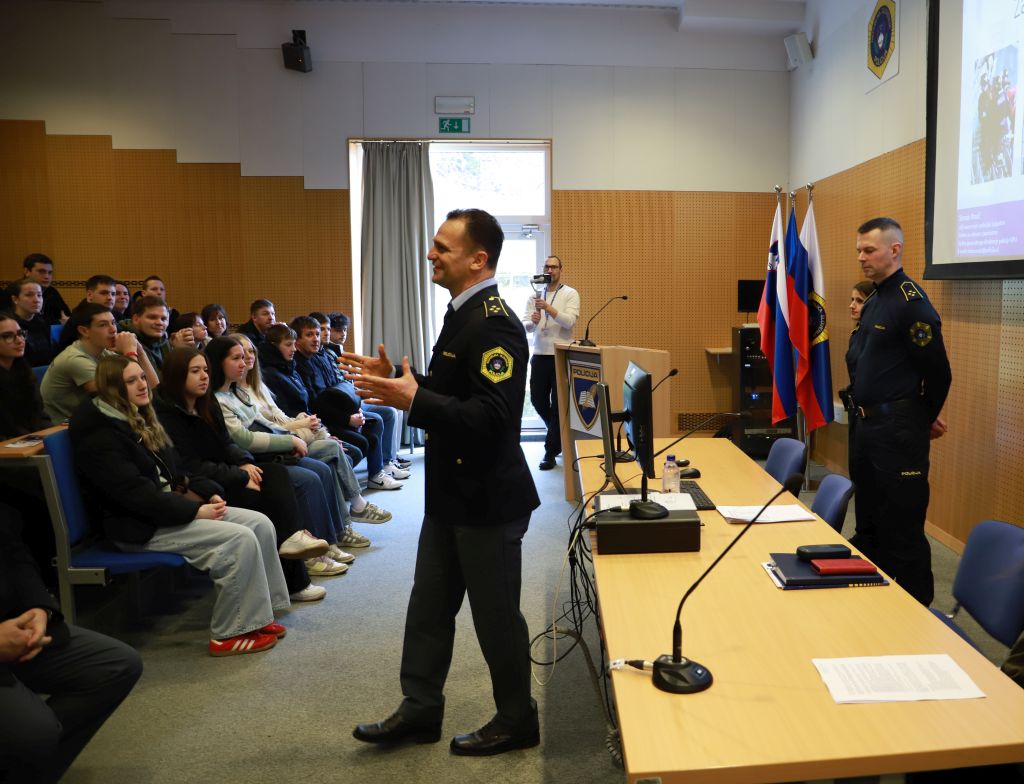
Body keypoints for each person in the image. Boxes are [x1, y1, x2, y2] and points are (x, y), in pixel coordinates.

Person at [347, 208, 541, 756]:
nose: (431, 254)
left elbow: (494, 417)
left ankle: (517, 718)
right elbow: (458, 393)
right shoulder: (462, 313)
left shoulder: (496, 321)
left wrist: (417, 399)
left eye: (443, 248)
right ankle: (420, 709)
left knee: (496, 615)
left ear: (478, 260)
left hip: (488, 498)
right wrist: (402, 384)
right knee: (428, 606)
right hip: (451, 495)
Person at [69, 354, 295, 655]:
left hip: (164, 511)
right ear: (112, 388)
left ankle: (260, 615)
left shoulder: (138, 417)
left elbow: (177, 471)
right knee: (237, 539)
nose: (142, 385)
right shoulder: (101, 435)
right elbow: (135, 496)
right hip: (137, 526)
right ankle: (229, 633)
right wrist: (194, 510)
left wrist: (207, 492)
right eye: (130, 381)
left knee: (259, 523)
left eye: (142, 378)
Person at [153, 347, 329, 602]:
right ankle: (295, 580)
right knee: (265, 504)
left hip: (224, 472)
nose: (203, 376)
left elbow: (228, 444)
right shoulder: (166, 415)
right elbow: (190, 466)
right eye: (194, 371)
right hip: (202, 486)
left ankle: (294, 540)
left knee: (275, 473)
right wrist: (240, 476)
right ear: (177, 375)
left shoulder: (206, 402)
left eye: (205, 370)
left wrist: (245, 464)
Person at [848, 217, 952, 607]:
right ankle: (876, 606)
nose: (862, 257)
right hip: (866, 427)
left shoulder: (912, 304)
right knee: (869, 524)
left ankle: (915, 615)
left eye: (869, 250)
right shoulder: (875, 298)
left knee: (902, 531)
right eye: (859, 249)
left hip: (895, 433)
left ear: (894, 250)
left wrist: (920, 418)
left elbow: (939, 373)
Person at [0, 503, 142, 783]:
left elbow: (14, 553)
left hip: (12, 624)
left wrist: (39, 608)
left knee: (116, 665)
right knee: (34, 732)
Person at [205, 336, 353, 577]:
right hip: (252, 459)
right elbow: (244, 439)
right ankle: (312, 555)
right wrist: (291, 438)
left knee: (322, 469)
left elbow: (266, 422)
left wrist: (293, 435)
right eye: (236, 358)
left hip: (270, 452)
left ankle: (328, 540)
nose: (243, 363)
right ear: (218, 363)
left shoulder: (235, 393)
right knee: (308, 478)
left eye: (245, 357)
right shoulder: (216, 400)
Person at [233, 331, 386, 549]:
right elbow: (268, 429)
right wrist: (303, 426)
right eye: (238, 355)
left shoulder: (258, 384)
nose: (247, 357)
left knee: (332, 459)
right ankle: (355, 509)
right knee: (332, 450)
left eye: (249, 351)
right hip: (278, 447)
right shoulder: (239, 392)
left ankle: (340, 530)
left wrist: (307, 424)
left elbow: (281, 417)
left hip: (291, 435)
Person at [291, 316, 403, 491]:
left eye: (317, 334)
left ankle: (382, 467)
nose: (316, 338)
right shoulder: (299, 365)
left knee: (378, 421)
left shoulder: (322, 356)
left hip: (339, 411)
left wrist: (354, 407)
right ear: (297, 341)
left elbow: (339, 388)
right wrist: (348, 419)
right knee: (369, 437)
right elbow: (316, 405)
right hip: (323, 420)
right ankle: (371, 477)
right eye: (309, 335)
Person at [40, 303, 159, 422]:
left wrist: (140, 351)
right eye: (103, 325)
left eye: (113, 323)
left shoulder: (103, 352)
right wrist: (130, 352)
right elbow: (123, 394)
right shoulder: (75, 360)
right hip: (63, 427)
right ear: (84, 331)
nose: (113, 330)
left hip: (95, 419)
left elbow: (154, 388)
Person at [522, 255, 579, 470]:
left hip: (561, 353)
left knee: (557, 406)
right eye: (547, 266)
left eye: (554, 267)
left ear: (561, 270)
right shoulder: (534, 295)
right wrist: (531, 323)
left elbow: (569, 322)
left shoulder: (570, 293)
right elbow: (526, 324)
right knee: (537, 400)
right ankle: (559, 434)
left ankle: (549, 452)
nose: (550, 270)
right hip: (539, 354)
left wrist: (549, 309)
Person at [839, 280, 874, 472]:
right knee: (856, 470)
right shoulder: (857, 334)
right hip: (856, 412)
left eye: (859, 301)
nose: (852, 305)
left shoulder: (876, 336)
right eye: (852, 299)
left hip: (873, 417)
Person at [0, 314, 51, 439]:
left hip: (28, 440)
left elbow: (39, 413)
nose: (19, 340)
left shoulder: (23, 370)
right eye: (8, 336)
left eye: (20, 333)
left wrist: (49, 435)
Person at [7, 277, 55, 366]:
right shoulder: (9, 325)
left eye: (39, 295)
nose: (37, 300)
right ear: (15, 299)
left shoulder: (41, 322)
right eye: (29, 295)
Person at [22, 253, 70, 326]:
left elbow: (66, 315)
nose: (47, 276)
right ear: (27, 272)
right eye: (41, 272)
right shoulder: (16, 290)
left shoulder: (51, 291)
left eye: (50, 273)